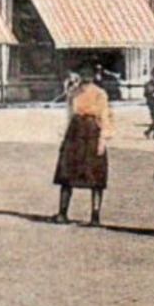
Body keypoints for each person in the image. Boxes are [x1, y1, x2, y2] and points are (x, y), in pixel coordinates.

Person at [53, 68, 113, 225]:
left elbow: (104, 117)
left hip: (92, 132)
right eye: (83, 73)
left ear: (94, 76)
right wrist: (64, 137)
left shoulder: (100, 93)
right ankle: (62, 212)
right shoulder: (72, 92)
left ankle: (95, 216)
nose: (86, 77)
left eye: (89, 74)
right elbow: (69, 115)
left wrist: (102, 140)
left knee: (95, 175)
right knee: (67, 173)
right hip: (74, 133)